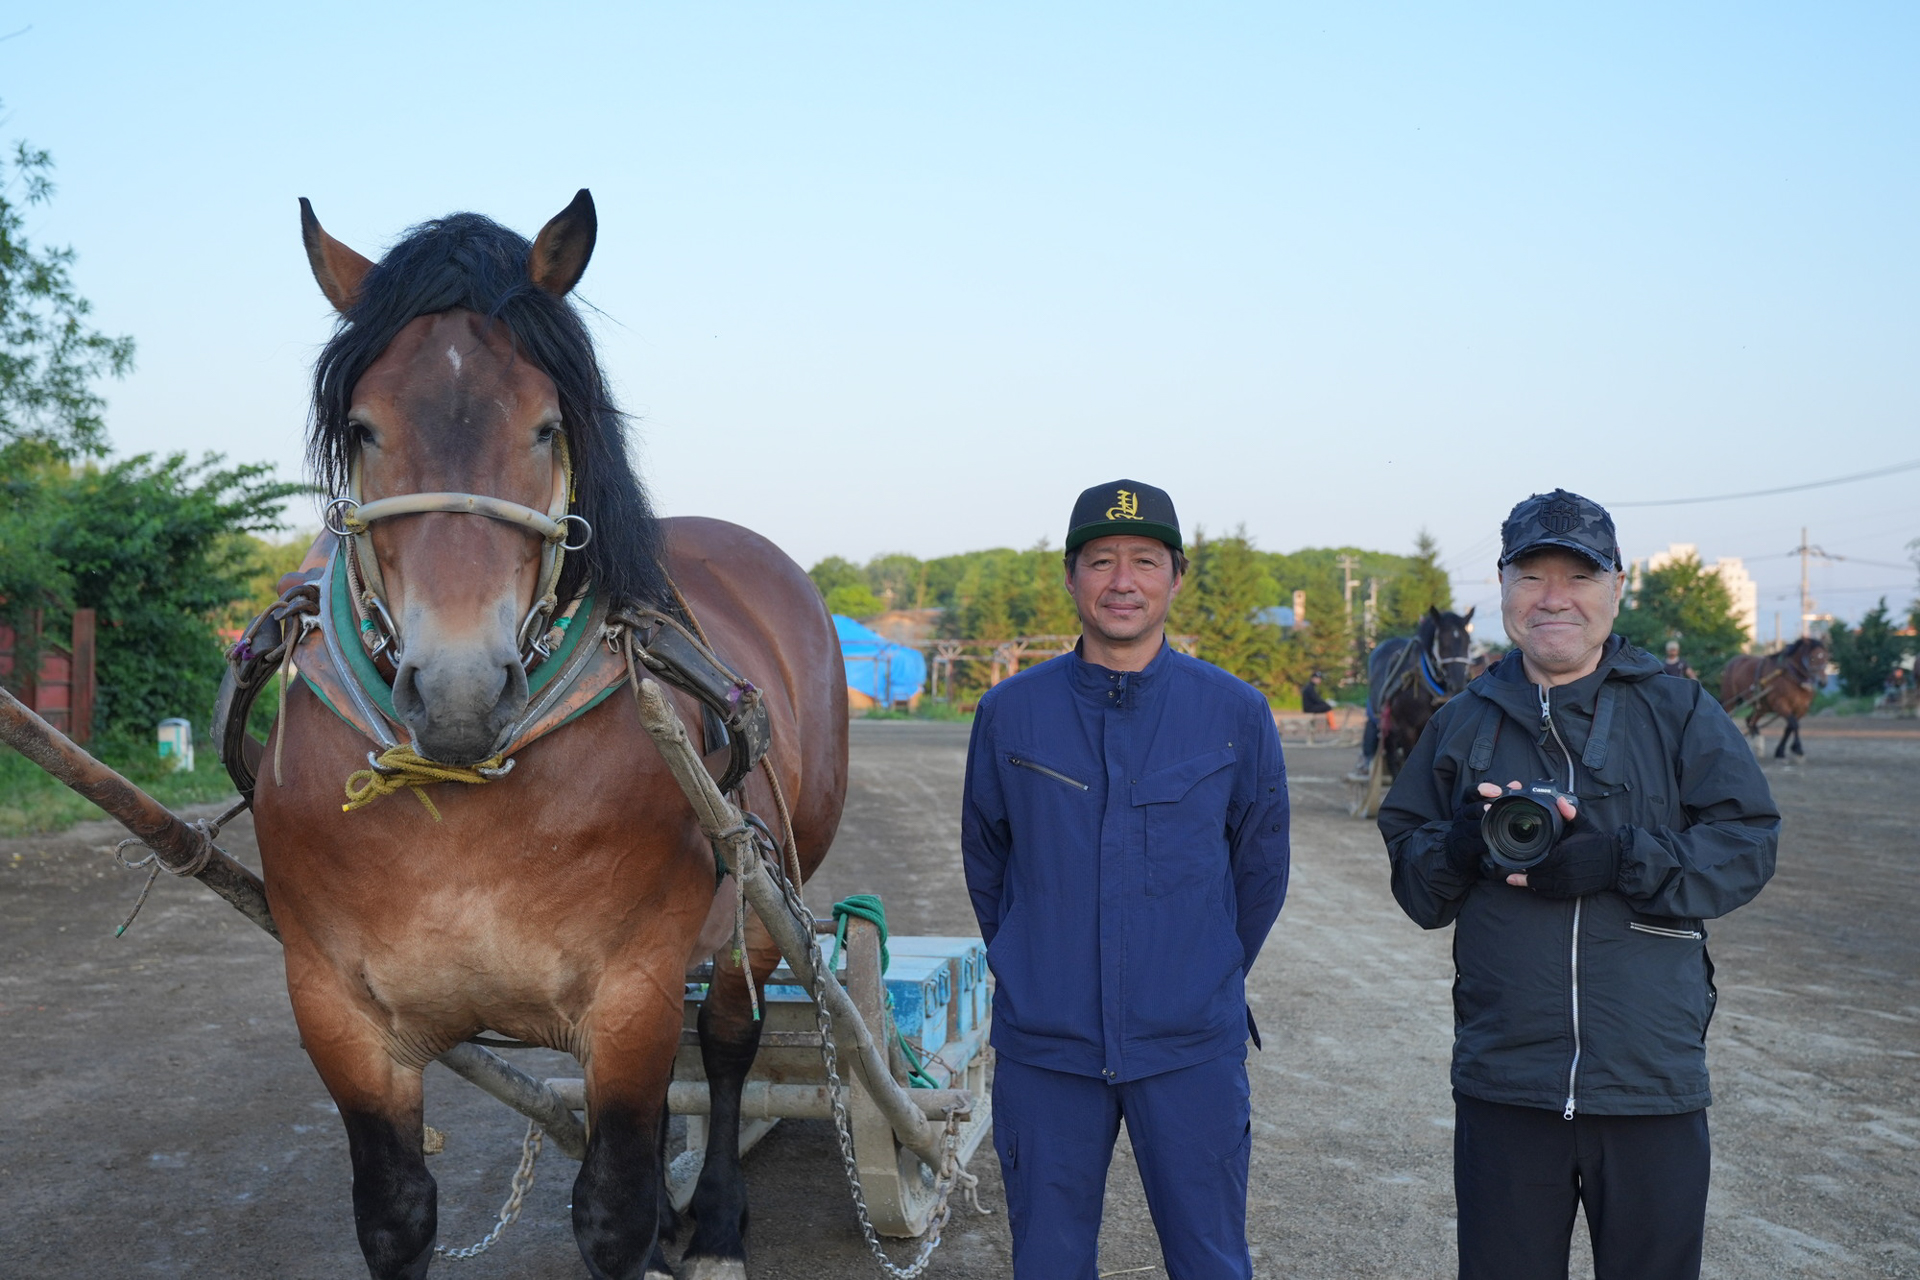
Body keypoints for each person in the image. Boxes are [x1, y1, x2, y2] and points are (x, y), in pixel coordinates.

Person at [1376, 488, 1779, 1280]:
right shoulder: (1463, 719)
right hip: (1506, 1083)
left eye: (1580, 576)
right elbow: (1418, 884)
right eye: (1531, 577)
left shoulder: (1679, 709)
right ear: (1502, 589)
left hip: (1648, 1082)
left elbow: (1748, 841)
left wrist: (1628, 858)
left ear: (1618, 586)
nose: (1554, 598)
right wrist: (1457, 846)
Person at [961, 479, 1290, 1280]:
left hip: (1187, 1047)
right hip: (1049, 1045)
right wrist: (1035, 962)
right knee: (1047, 1260)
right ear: (1070, 576)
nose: (1123, 581)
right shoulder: (1009, 713)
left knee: (1211, 1260)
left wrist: (1195, 972)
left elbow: (1260, 869)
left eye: (1145, 561)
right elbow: (988, 859)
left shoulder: (1235, 715)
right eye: (1101, 561)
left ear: (1177, 577)